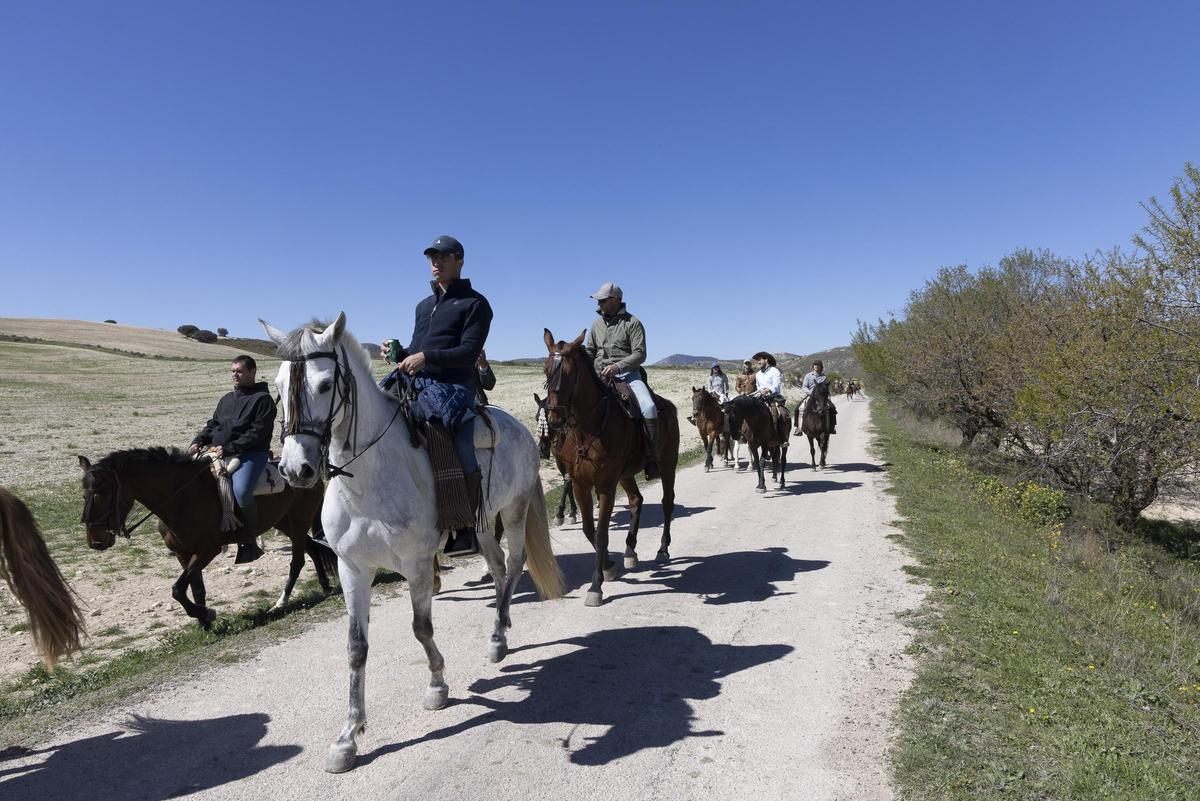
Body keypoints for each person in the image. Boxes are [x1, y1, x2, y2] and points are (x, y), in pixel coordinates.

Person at [398, 234, 493, 557]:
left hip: (454, 387)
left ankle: (465, 527)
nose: (436, 263)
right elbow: (415, 349)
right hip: (417, 384)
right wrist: (400, 352)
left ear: (459, 261)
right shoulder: (423, 306)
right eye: (432, 258)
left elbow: (467, 352)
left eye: (443, 257)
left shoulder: (476, 304)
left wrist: (427, 357)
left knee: (461, 444)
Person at [189, 355, 276, 564]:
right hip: (219, 451)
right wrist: (198, 441)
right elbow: (213, 425)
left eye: (239, 371)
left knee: (241, 490)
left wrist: (228, 448)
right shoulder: (227, 398)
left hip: (252, 454)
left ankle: (249, 539)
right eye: (232, 371)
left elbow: (257, 433)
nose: (234, 375)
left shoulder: (263, 400)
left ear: (252, 372)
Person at [583, 282, 660, 479]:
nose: (599, 302)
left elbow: (640, 354)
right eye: (598, 300)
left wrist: (618, 366)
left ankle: (651, 459)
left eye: (603, 299)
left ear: (616, 300)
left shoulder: (632, 323)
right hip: (600, 375)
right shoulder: (596, 324)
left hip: (627, 375)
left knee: (649, 407)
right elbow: (590, 351)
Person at [801, 359, 837, 433]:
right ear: (813, 366)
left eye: (818, 365)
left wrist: (828, 396)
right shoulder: (808, 376)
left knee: (832, 407)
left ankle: (832, 427)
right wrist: (810, 393)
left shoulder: (824, 377)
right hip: (810, 396)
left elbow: (826, 388)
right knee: (799, 408)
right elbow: (804, 387)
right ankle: (799, 428)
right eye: (815, 365)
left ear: (821, 367)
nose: (816, 366)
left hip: (821, 397)